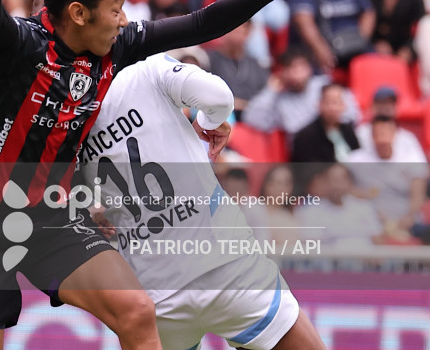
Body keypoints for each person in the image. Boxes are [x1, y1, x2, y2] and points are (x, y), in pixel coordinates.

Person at [0, 0, 337, 348]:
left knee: (136, 311)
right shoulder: (20, 45)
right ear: (79, 14)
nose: (124, 19)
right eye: (115, 8)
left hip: (51, 215)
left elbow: (202, 23)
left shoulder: (117, 47)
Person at [80, 53, 325, 350]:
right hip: (228, 269)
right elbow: (219, 97)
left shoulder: (61, 116)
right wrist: (209, 121)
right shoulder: (146, 72)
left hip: (155, 293)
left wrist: (89, 208)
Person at [243, 49, 360, 136]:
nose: (297, 73)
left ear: (309, 68)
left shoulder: (324, 85)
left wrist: (332, 118)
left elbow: (353, 114)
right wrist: (271, 90)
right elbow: (252, 119)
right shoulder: (279, 99)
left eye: (301, 67)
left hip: (333, 138)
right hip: (304, 151)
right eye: (291, 68)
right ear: (283, 72)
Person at [346, 115, 428, 236]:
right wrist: (361, 195)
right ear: (372, 136)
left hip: (408, 222)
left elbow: (418, 194)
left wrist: (409, 217)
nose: (382, 139)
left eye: (386, 133)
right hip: (369, 222)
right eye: (378, 134)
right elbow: (342, 187)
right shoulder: (355, 160)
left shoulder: (410, 159)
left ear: (395, 135)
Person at [297, 163, 385, 248]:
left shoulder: (364, 207)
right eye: (333, 180)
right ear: (324, 182)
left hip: (366, 256)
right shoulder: (311, 211)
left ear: (349, 182)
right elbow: (312, 246)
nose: (337, 186)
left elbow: (377, 241)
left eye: (341, 180)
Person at [207, 21, 269, 120]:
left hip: (253, 117)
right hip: (221, 116)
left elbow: (264, 94)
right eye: (235, 31)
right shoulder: (210, 60)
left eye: (243, 32)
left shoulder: (254, 63)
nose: (239, 36)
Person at [290, 83, 361, 163]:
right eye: (328, 102)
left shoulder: (348, 130)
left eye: (337, 102)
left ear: (344, 105)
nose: (333, 108)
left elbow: (359, 155)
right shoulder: (305, 136)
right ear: (319, 104)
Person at [355, 86, 426, 159]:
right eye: (382, 103)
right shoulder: (360, 133)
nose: (386, 107)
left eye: (390, 103)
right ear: (373, 106)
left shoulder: (407, 138)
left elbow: (420, 164)